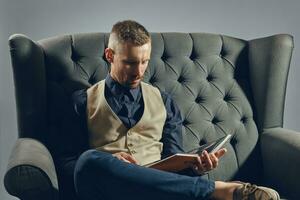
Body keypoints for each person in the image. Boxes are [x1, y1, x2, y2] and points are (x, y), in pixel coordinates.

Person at [68, 20, 280, 200]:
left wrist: (196, 167)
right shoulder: (81, 101)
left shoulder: (165, 103)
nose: (139, 71)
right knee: (88, 161)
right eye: (130, 63)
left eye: (144, 62)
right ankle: (222, 191)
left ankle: (217, 191)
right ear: (109, 55)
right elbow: (68, 165)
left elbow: (174, 161)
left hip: (159, 192)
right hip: (109, 190)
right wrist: (113, 164)